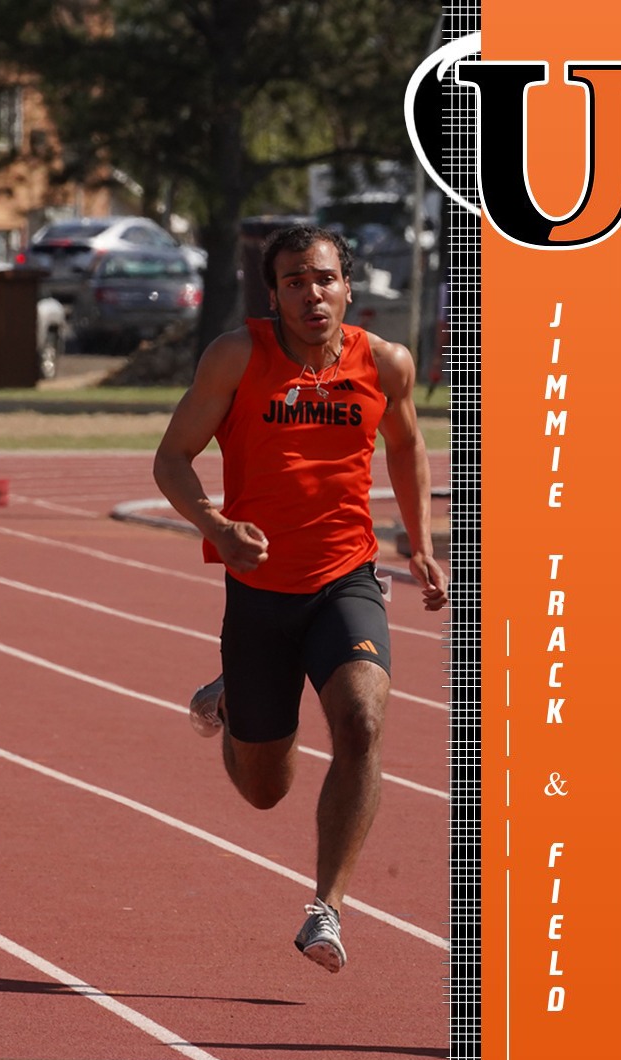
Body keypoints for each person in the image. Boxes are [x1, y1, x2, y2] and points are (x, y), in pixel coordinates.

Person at [152, 223, 448, 973]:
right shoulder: (237, 357)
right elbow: (172, 459)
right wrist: (216, 522)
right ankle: (233, 706)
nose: (309, 294)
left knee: (362, 721)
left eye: (322, 278)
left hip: (347, 577)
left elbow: (408, 447)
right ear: (273, 292)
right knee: (263, 788)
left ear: (348, 285)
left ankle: (327, 907)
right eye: (292, 281)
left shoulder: (385, 364)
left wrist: (419, 545)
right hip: (259, 593)